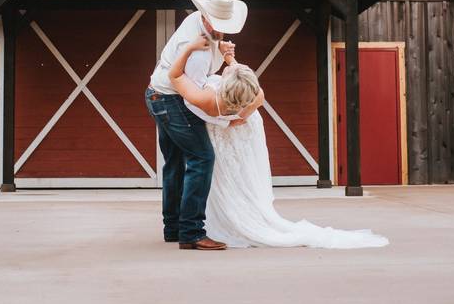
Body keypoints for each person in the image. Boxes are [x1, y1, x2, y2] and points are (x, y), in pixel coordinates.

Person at [167, 35, 390, 250]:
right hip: (243, 137)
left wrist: (189, 48)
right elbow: (241, 85)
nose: (231, 67)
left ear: (226, 85)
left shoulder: (211, 100)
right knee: (241, 178)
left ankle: (209, 222)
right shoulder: (255, 95)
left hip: (226, 136)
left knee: (225, 179)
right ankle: (239, 215)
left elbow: (175, 76)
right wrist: (228, 58)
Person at [145, 0, 247, 250]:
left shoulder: (194, 21)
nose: (223, 31)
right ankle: (191, 232)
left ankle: (174, 228)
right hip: (171, 99)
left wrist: (222, 49)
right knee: (202, 158)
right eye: (219, 26)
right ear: (206, 16)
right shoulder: (197, 54)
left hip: (158, 94)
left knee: (175, 163)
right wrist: (226, 119)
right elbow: (195, 99)